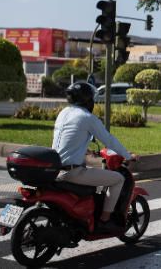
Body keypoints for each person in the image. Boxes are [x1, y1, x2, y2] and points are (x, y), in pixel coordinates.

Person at [52, 81, 138, 230]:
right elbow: (109, 140)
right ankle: (104, 220)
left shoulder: (64, 112)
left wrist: (85, 151)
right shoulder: (87, 117)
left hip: (56, 170)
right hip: (73, 172)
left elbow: (70, 138)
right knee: (118, 179)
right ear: (87, 100)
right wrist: (127, 155)